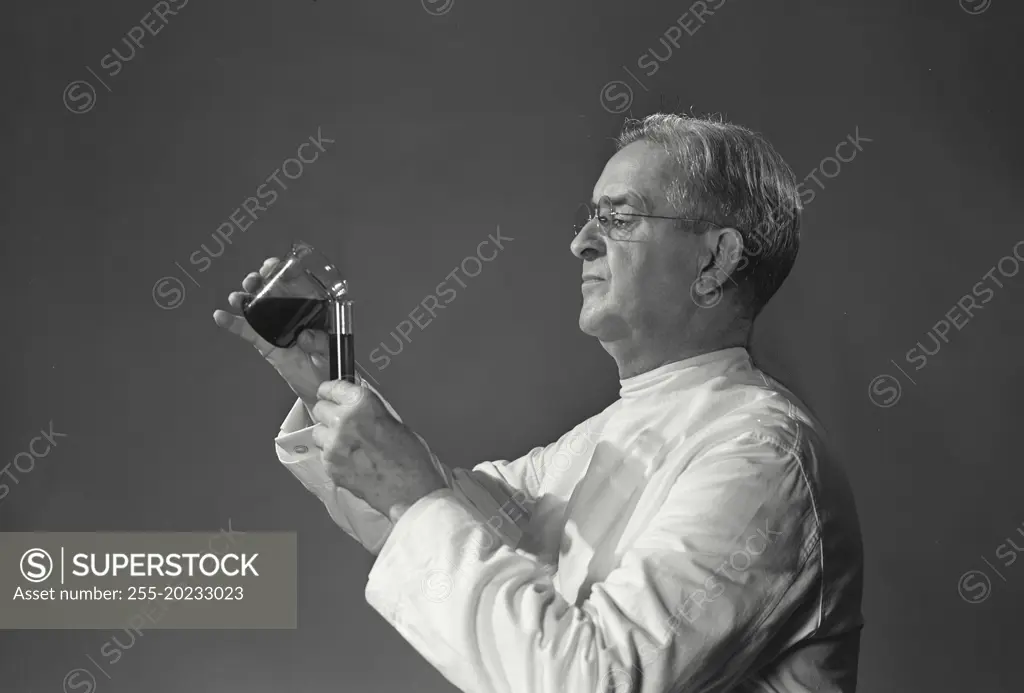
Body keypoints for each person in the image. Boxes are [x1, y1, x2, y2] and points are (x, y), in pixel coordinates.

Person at [213, 113, 864, 692]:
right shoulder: (601, 440)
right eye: (587, 218)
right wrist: (329, 380)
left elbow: (593, 678)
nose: (581, 242)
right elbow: (450, 521)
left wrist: (414, 498)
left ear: (716, 259)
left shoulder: (762, 455)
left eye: (619, 217)